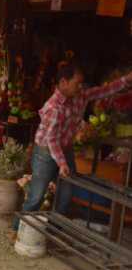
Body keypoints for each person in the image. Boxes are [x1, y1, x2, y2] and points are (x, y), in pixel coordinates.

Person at [17, 62, 132, 229]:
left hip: (66, 148)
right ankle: (17, 229)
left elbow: (104, 90)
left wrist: (126, 80)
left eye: (81, 84)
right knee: (37, 195)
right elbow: (52, 140)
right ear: (63, 82)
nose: (81, 87)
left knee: (67, 192)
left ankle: (54, 228)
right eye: (77, 83)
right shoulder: (53, 107)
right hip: (46, 151)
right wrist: (62, 164)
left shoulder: (81, 96)